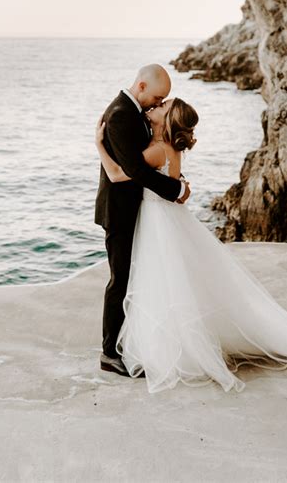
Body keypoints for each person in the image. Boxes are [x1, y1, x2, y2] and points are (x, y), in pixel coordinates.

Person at [95, 94, 287, 394]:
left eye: (163, 106)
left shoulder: (159, 149)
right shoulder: (167, 148)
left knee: (161, 282)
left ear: (169, 120)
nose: (156, 106)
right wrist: (180, 187)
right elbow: (171, 183)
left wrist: (99, 146)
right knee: (172, 281)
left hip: (157, 221)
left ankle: (166, 347)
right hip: (165, 217)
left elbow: (118, 173)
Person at [94, 64, 191, 378]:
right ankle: (110, 353)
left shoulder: (136, 113)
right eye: (158, 96)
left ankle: (129, 341)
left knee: (136, 280)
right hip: (120, 212)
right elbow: (134, 171)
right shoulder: (121, 114)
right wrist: (176, 189)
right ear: (141, 86)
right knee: (119, 280)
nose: (159, 102)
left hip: (139, 210)